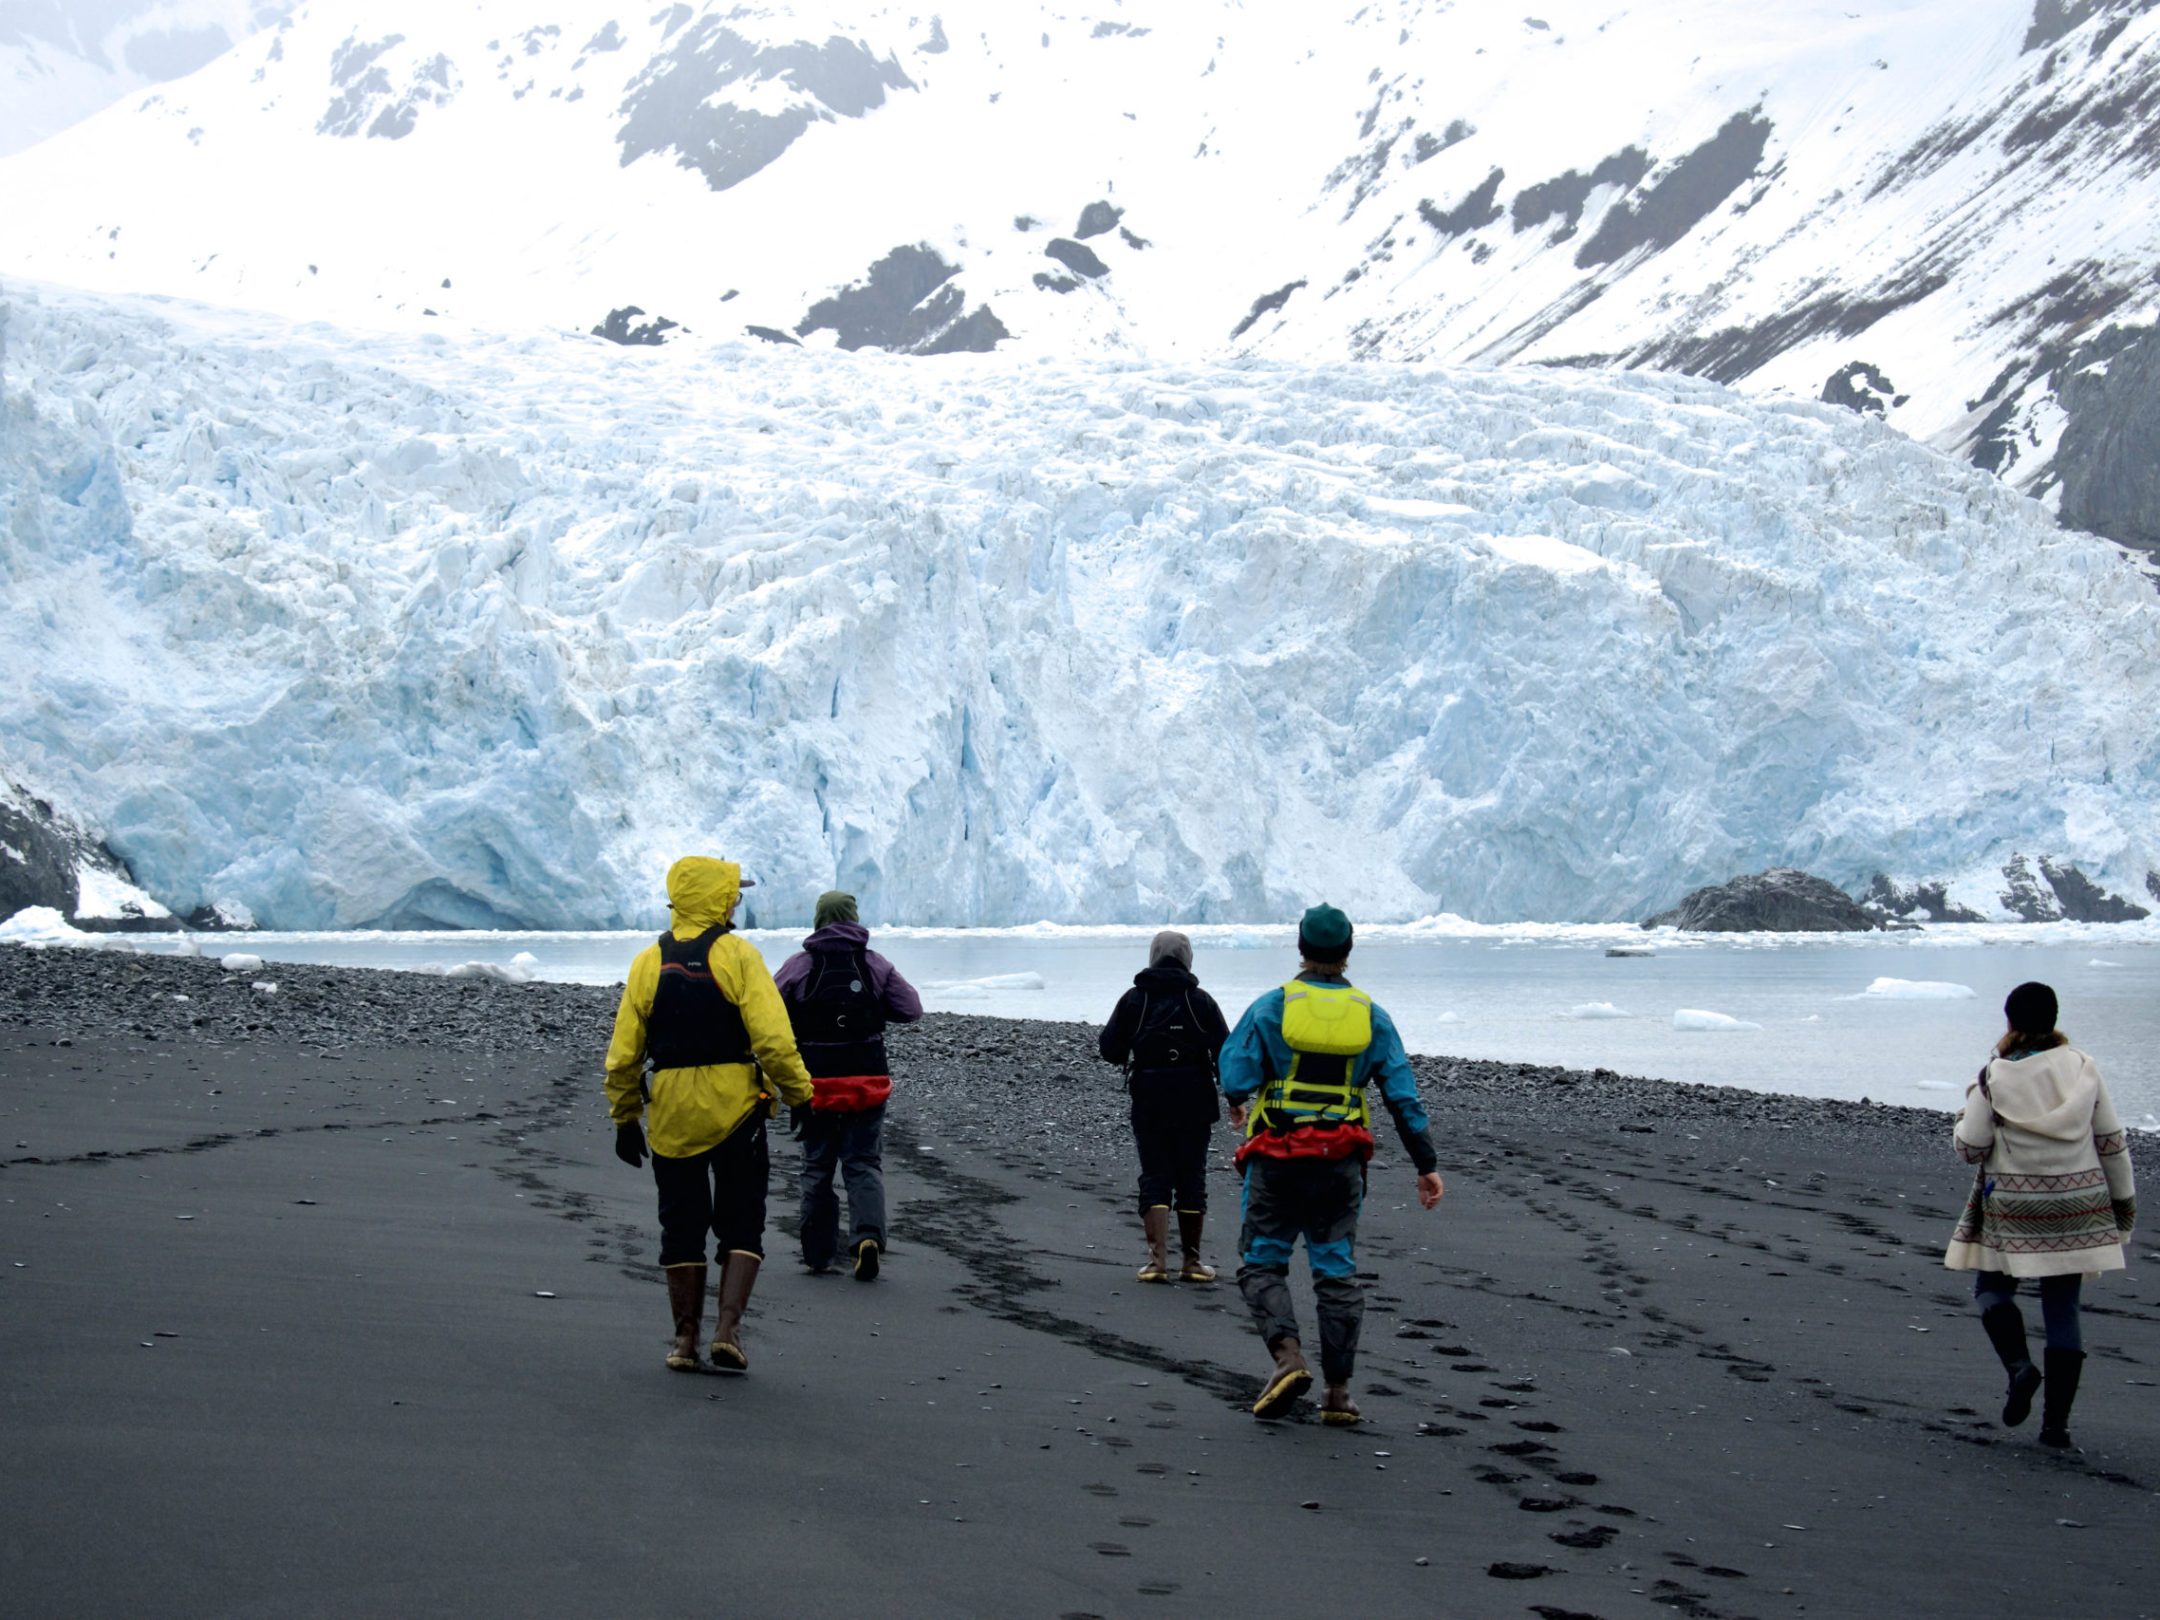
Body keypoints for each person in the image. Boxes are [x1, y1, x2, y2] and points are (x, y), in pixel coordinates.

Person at [1219, 904, 1444, 1425]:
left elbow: (1235, 1073)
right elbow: (1403, 1096)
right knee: (1335, 1271)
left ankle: (1288, 1358)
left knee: (1262, 1262)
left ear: (1301, 947)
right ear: (1348, 951)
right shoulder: (1371, 1015)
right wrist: (1425, 1164)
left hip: (1276, 1158)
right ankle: (1338, 1394)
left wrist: (1237, 1096)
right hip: (1340, 1163)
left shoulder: (1273, 1006)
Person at [604, 856, 814, 1374]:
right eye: (733, 894)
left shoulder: (647, 962)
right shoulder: (738, 954)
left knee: (681, 1223)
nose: (737, 901)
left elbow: (624, 1055)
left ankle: (683, 1340)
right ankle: (728, 1330)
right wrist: (799, 1094)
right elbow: (772, 1037)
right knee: (743, 1220)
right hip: (737, 1108)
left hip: (673, 1111)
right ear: (719, 898)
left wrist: (626, 1116)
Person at [1944, 981, 2137, 1449]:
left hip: (2014, 1207)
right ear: (2054, 1020)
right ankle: (2056, 1428)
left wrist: (1968, 1107)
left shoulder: (1993, 1076)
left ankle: (2020, 1368)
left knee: (1992, 1288)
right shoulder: (2083, 1068)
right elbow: (2111, 1142)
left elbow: (1971, 1147)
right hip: (2080, 1204)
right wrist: (2122, 1204)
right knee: (2062, 1307)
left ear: (2009, 1022)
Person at [773, 890, 923, 1280]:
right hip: (866, 1080)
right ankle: (867, 1238)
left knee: (817, 1165)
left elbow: (768, 1012)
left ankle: (819, 1253)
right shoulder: (874, 964)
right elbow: (911, 1009)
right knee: (862, 1162)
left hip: (815, 1084)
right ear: (854, 919)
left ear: (818, 919)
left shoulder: (799, 965)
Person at [1098, 930, 1231, 1283]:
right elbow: (1226, 1052)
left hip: (1150, 1097)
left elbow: (1109, 1049)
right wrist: (1234, 1097)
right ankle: (1192, 1262)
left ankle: (1157, 1262)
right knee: (1192, 1175)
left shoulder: (1135, 999)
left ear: (1153, 956)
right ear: (1188, 958)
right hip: (1195, 1100)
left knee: (1155, 1173)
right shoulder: (1199, 1000)